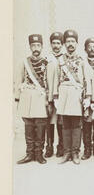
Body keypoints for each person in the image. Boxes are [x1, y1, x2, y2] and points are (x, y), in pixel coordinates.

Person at [53, 29, 91, 165]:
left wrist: (88, 97)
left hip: (76, 94)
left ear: (77, 43)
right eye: (68, 41)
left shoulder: (81, 60)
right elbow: (55, 79)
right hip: (63, 94)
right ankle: (66, 152)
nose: (70, 44)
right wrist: (55, 96)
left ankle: (75, 152)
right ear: (64, 43)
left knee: (76, 124)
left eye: (73, 41)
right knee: (65, 123)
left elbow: (87, 79)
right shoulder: (60, 60)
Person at [15, 34, 52, 165]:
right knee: (29, 125)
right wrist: (18, 98)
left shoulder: (46, 62)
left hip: (40, 96)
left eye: (38, 45)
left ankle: (39, 154)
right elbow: (19, 79)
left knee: (41, 125)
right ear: (30, 47)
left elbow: (49, 81)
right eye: (33, 45)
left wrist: (49, 98)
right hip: (27, 96)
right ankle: (29, 154)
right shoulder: (25, 62)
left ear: (41, 47)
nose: (36, 48)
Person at [81, 37, 94, 160]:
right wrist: (85, 99)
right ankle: (87, 149)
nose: (92, 49)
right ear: (85, 49)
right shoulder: (82, 63)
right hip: (86, 98)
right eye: (89, 46)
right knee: (86, 125)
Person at [45, 32, 64, 158]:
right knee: (49, 122)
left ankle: (61, 146)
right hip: (49, 95)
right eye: (54, 43)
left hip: (62, 96)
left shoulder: (65, 59)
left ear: (62, 44)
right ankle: (49, 146)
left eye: (58, 43)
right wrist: (47, 96)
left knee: (61, 122)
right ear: (51, 44)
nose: (56, 46)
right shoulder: (46, 59)